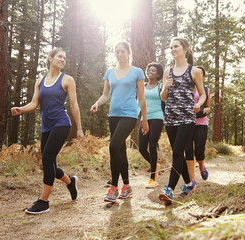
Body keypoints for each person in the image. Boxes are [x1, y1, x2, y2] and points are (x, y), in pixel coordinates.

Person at [11, 48, 84, 214]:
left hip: (61, 123)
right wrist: (21, 109)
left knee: (47, 158)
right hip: (47, 126)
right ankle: (70, 182)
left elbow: (74, 105)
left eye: (64, 58)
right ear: (50, 58)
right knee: (49, 162)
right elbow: (34, 103)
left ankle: (43, 202)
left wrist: (79, 128)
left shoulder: (67, 79)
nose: (62, 60)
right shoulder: (40, 81)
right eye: (59, 56)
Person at [90, 42, 149, 203]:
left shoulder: (137, 72)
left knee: (113, 146)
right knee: (120, 150)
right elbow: (105, 95)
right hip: (113, 115)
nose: (120, 54)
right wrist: (97, 103)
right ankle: (127, 187)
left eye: (123, 51)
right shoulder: (110, 72)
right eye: (117, 52)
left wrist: (144, 119)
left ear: (129, 52)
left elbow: (142, 97)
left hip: (129, 114)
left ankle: (114, 187)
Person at [158, 37, 206, 205]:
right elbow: (163, 98)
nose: (172, 49)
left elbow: (203, 94)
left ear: (185, 49)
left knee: (177, 152)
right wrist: (165, 87)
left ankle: (169, 190)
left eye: (176, 46)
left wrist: (198, 104)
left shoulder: (194, 71)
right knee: (178, 153)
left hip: (187, 116)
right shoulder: (167, 72)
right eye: (171, 47)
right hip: (170, 116)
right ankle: (189, 183)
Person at [180, 66, 210, 197]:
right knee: (188, 151)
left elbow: (208, 107)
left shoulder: (206, 90)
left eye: (200, 73)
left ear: (202, 76)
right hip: (187, 123)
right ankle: (192, 180)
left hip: (201, 124)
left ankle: (202, 167)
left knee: (199, 151)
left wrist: (202, 109)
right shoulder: (186, 88)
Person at [138, 62, 164, 189]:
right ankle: (155, 164)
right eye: (148, 70)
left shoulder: (160, 86)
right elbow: (138, 102)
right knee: (142, 148)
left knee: (152, 145)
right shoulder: (141, 85)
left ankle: (152, 178)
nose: (150, 72)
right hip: (145, 119)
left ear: (158, 74)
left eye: (153, 70)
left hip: (158, 118)